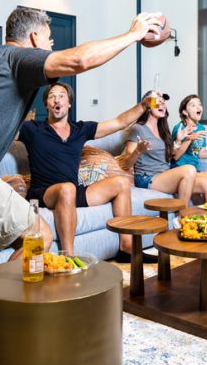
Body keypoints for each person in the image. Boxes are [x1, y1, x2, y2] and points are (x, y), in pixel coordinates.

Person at [0, 6, 166, 262]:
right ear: (34, 37)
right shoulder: (16, 58)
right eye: (49, 38)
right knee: (40, 236)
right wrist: (134, 34)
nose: (51, 45)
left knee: (11, 241)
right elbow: (79, 60)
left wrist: (144, 106)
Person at [19, 82, 148, 259]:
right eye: (52, 96)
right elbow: (4, 133)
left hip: (72, 191)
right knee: (66, 188)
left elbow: (119, 122)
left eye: (61, 95)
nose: (57, 99)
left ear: (69, 103)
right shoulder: (32, 129)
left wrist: (144, 105)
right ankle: (69, 257)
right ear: (47, 104)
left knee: (121, 182)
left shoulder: (80, 129)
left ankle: (126, 246)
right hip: (43, 193)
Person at [124, 92, 207, 203]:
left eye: (164, 103)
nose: (162, 105)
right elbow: (126, 163)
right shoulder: (138, 128)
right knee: (189, 169)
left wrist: (178, 140)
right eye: (158, 102)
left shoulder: (163, 129)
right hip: (147, 178)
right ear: (148, 106)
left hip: (165, 174)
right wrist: (138, 151)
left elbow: (172, 156)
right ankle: (182, 216)